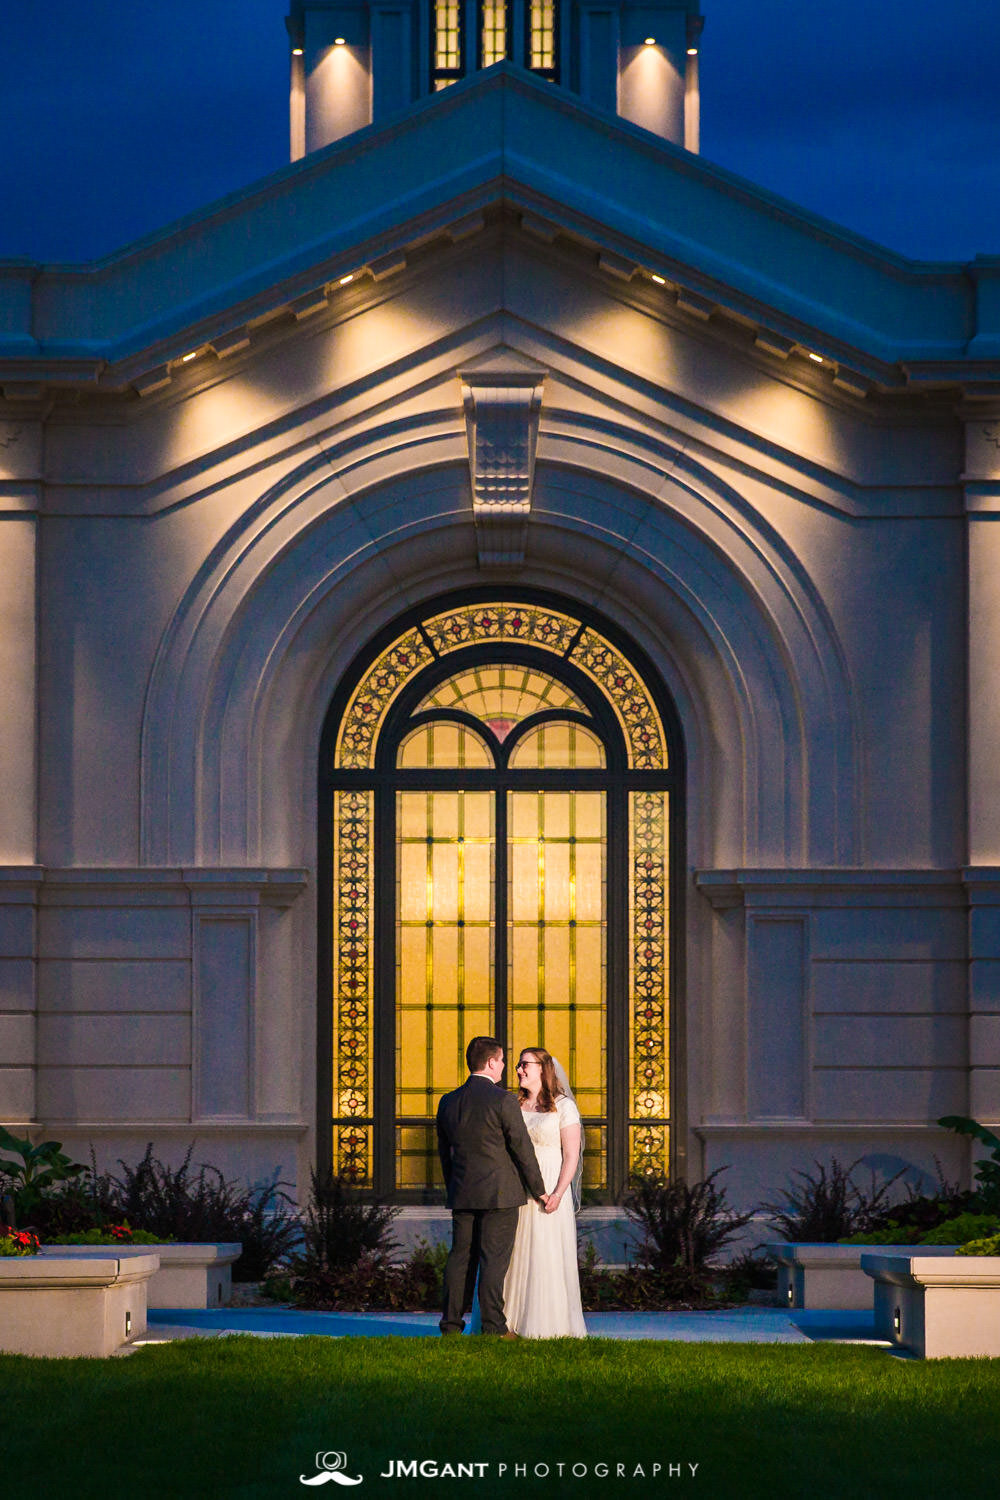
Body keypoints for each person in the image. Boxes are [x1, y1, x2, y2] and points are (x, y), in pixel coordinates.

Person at [436, 1035, 548, 1336]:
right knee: (493, 1262)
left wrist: (454, 1186)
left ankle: (449, 1327)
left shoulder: (448, 1102)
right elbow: (521, 1148)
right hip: (500, 1194)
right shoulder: (503, 1100)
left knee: (460, 1260)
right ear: (490, 1062)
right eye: (501, 1061)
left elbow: (444, 1154)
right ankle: (495, 1328)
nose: (504, 1068)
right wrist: (539, 1190)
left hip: (462, 1193)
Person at [502, 1047, 588, 1338]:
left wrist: (558, 1193)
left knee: (545, 1253)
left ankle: (547, 1325)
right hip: (518, 1188)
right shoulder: (514, 1105)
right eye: (517, 1065)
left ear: (543, 1068)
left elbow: (572, 1156)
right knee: (513, 1254)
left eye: (525, 1064)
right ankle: (508, 1323)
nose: (518, 1070)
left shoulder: (563, 1107)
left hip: (551, 1187)